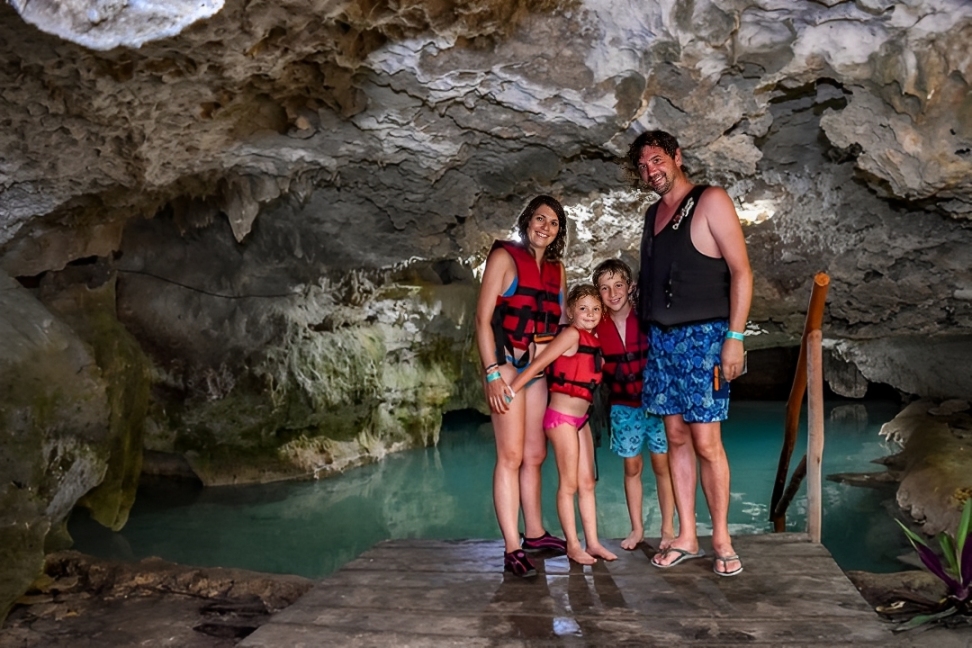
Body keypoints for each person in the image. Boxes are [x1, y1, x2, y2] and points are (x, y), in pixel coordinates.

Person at [630, 130, 753, 577]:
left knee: (706, 441)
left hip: (705, 339)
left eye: (658, 160)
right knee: (675, 437)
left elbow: (741, 271)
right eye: (643, 167)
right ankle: (686, 534)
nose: (652, 171)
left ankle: (721, 537)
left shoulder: (710, 199)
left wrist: (734, 337)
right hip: (661, 343)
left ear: (678, 156)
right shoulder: (652, 216)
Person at [475, 195, 569, 578]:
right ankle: (512, 547)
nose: (544, 227)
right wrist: (493, 373)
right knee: (510, 456)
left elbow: (561, 323)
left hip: (538, 372)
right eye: (539, 219)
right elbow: (482, 321)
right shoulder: (504, 258)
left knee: (535, 455)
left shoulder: (557, 270)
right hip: (508, 369)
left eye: (553, 223)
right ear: (527, 221)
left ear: (559, 232)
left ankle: (534, 532)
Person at [507, 284, 618, 566]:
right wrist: (511, 389)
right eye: (583, 309)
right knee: (569, 485)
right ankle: (573, 545)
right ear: (570, 312)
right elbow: (538, 364)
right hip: (561, 420)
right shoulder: (570, 335)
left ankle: (593, 543)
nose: (590, 314)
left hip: (581, 420)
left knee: (587, 483)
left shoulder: (593, 340)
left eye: (595, 309)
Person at [593, 259, 677, 551]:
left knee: (662, 464)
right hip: (623, 406)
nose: (612, 293)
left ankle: (668, 529)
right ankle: (637, 529)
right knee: (632, 466)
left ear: (630, 287)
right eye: (604, 288)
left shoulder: (647, 318)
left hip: (656, 403)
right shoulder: (596, 325)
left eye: (618, 285)